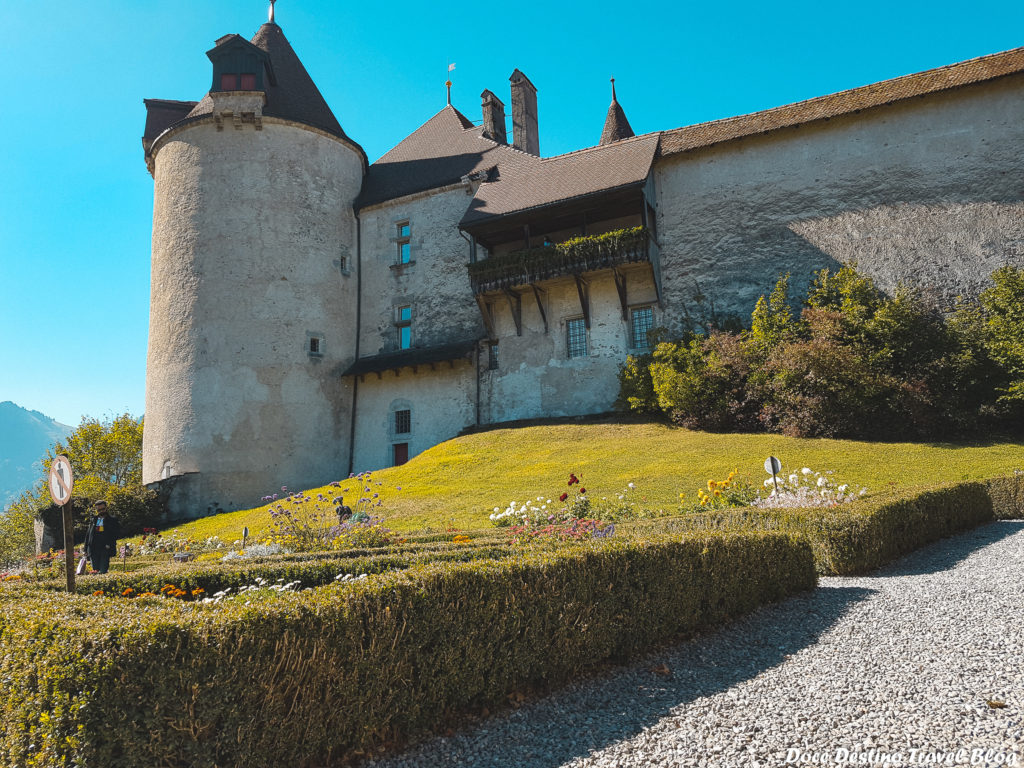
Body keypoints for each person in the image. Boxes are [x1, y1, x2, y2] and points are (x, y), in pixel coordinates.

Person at [84, 500, 121, 574]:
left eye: (103, 509)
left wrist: (109, 544)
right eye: (99, 510)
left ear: (106, 508)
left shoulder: (112, 520)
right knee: (95, 572)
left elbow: (116, 534)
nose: (101, 511)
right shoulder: (94, 519)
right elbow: (88, 534)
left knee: (103, 571)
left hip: (105, 548)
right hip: (93, 549)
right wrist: (85, 549)